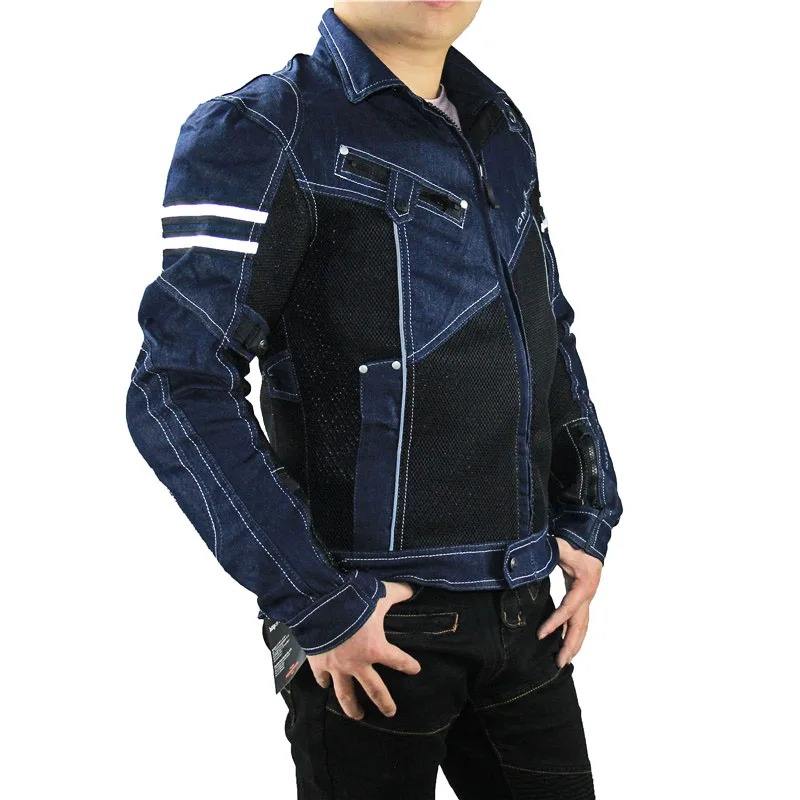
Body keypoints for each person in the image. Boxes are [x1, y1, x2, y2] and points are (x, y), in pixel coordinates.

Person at [126, 2, 622, 797]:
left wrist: (588, 510)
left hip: (527, 612)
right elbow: (178, 385)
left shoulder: (498, 125)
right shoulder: (264, 128)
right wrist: (319, 601)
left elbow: (546, 327)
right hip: (372, 628)